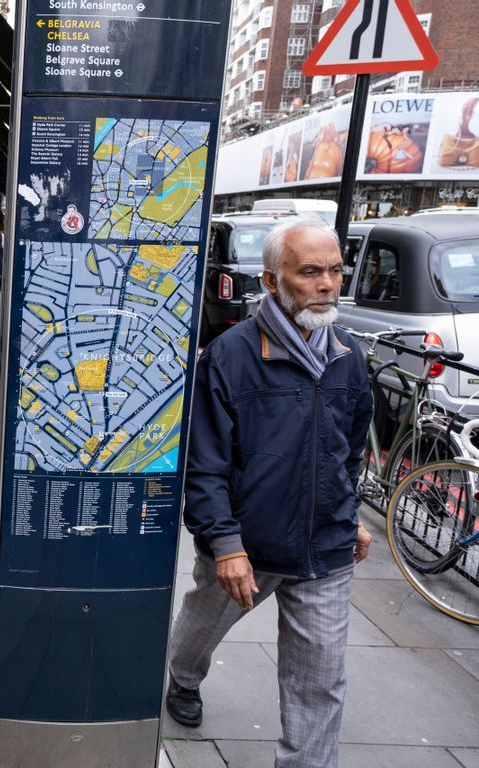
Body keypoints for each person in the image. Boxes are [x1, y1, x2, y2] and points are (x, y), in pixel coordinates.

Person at [166, 217, 373, 768]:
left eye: (334, 270)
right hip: (246, 545)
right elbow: (204, 464)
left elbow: (349, 453)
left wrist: (347, 512)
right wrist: (226, 544)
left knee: (321, 682)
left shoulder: (349, 356)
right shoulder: (231, 356)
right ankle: (182, 680)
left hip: (323, 549)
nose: (327, 284)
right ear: (272, 279)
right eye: (309, 272)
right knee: (197, 634)